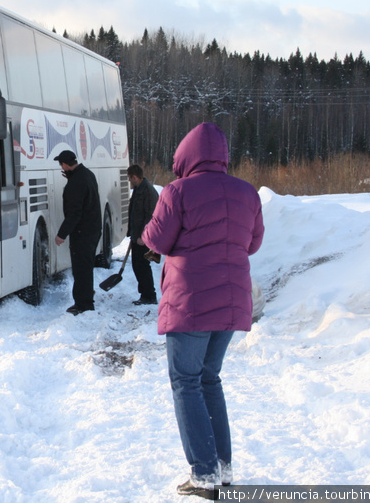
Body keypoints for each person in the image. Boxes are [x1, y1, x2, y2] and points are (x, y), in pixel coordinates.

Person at [142, 123, 264, 498]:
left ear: (186, 155)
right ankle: (223, 469)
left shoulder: (177, 191)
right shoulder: (247, 193)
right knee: (210, 380)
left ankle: (205, 474)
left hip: (190, 302)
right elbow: (254, 243)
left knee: (186, 382)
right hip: (230, 302)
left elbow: (156, 239)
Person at [53, 149, 102, 315]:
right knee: (85, 268)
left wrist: (62, 234)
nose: (61, 167)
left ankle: (84, 304)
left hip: (83, 233)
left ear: (65, 165)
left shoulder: (76, 183)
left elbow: (75, 212)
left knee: (81, 269)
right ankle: (84, 300)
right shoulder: (87, 174)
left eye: (61, 164)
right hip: (93, 229)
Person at [127, 164, 160, 305]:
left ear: (135, 177)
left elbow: (151, 216)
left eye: (130, 178)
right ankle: (145, 294)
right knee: (137, 265)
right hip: (137, 236)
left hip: (144, 237)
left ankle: (149, 295)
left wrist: (142, 235)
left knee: (143, 266)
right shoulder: (138, 190)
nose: (129, 181)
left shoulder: (148, 192)